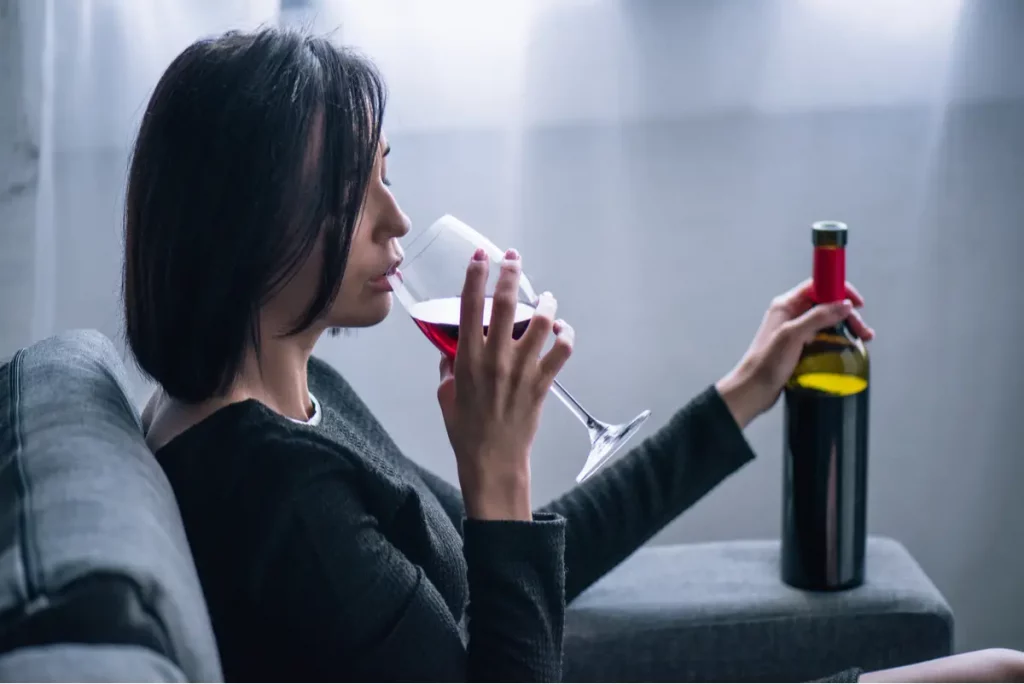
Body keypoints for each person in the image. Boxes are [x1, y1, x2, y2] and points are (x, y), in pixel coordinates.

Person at [124, 27, 1024, 683]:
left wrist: (747, 388)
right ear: (246, 222)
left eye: (386, 174)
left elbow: (529, 567)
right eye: (353, 193)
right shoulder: (285, 506)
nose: (396, 218)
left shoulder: (297, 399)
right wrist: (495, 467)